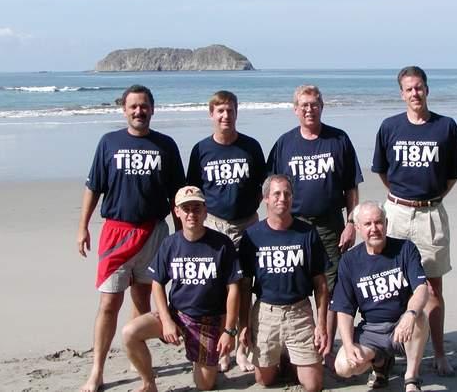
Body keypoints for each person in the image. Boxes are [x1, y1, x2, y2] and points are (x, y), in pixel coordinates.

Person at [77, 85, 186, 392]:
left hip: (154, 232)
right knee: (109, 302)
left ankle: (135, 356)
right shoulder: (109, 142)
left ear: (153, 109)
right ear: (124, 110)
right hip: (116, 232)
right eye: (133, 106)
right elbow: (93, 187)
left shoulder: (165, 145)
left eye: (144, 106)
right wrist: (83, 226)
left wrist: (181, 237)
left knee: (142, 299)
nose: (139, 111)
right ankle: (97, 371)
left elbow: (176, 196)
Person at [372, 66, 457, 376]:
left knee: (433, 287)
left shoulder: (446, 127)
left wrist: (429, 198)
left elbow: (453, 173)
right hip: (396, 213)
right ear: (401, 94)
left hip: (431, 215)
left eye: (419, 87)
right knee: (392, 284)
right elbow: (383, 171)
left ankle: (439, 353)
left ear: (427, 89)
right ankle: (392, 350)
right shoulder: (389, 127)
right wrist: (403, 199)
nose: (415, 93)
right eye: (409, 89)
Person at [267, 84, 363, 357]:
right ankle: (294, 345)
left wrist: (351, 222)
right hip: (294, 225)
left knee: (331, 286)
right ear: (295, 109)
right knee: (294, 283)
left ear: (322, 107)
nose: (309, 110)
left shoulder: (338, 140)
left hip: (330, 224)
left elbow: (351, 187)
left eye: (314, 105)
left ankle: (327, 347)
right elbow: (272, 187)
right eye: (304, 105)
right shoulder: (285, 143)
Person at [122, 186, 242, 391]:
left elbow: (234, 289)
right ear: (177, 212)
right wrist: (166, 320)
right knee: (129, 333)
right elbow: (157, 283)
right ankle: (149, 383)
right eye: (186, 209)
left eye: (196, 208)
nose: (191, 214)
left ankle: (202, 359)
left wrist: (229, 331)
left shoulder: (222, 244)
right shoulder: (170, 244)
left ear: (205, 211)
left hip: (208, 321)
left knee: (204, 385)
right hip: (176, 315)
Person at [187, 90, 266, 371]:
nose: (225, 116)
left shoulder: (250, 147)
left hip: (247, 224)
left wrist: (251, 212)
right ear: (211, 114)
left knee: (244, 285)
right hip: (214, 224)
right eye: (220, 111)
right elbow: (193, 191)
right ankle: (223, 348)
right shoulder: (201, 150)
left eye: (230, 110)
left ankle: (243, 347)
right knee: (218, 286)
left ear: (236, 112)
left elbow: (263, 186)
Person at [238, 175, 329, 392]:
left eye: (287, 194)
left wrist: (322, 324)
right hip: (266, 313)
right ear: (266, 198)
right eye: (277, 194)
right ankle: (282, 356)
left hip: (299, 312)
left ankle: (291, 356)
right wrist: (244, 324)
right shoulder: (252, 236)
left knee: (313, 385)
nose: (282, 198)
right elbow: (245, 285)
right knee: (264, 380)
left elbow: (321, 284)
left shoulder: (307, 233)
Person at [331, 201, 429, 391]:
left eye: (378, 222)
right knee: (343, 366)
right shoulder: (349, 261)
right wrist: (348, 345)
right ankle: (380, 362)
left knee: (419, 316)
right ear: (358, 228)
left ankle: (411, 378)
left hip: (402, 326)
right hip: (371, 331)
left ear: (386, 223)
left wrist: (410, 314)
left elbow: (421, 289)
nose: (374, 229)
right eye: (368, 224)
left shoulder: (405, 249)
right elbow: (344, 309)